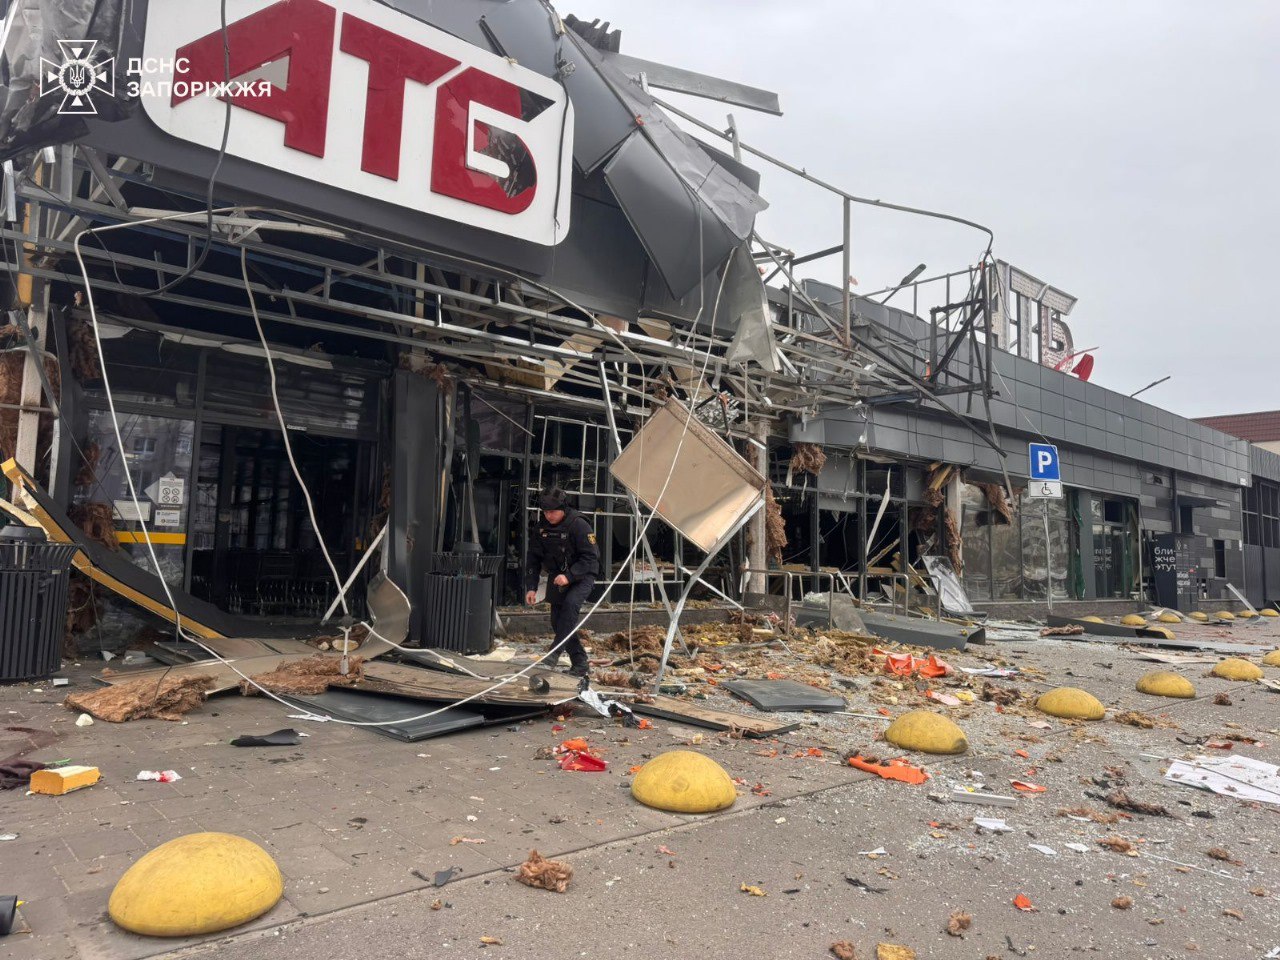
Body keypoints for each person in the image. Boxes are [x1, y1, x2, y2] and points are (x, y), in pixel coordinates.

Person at [524, 487, 599, 677]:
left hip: (582, 574)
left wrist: (570, 576)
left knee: (570, 606)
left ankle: (555, 652)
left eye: (552, 512)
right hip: (557, 575)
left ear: (563, 509)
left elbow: (591, 557)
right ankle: (580, 663)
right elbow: (533, 559)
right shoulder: (541, 528)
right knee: (558, 621)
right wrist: (531, 587)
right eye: (545, 512)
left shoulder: (579, 524)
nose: (548, 516)